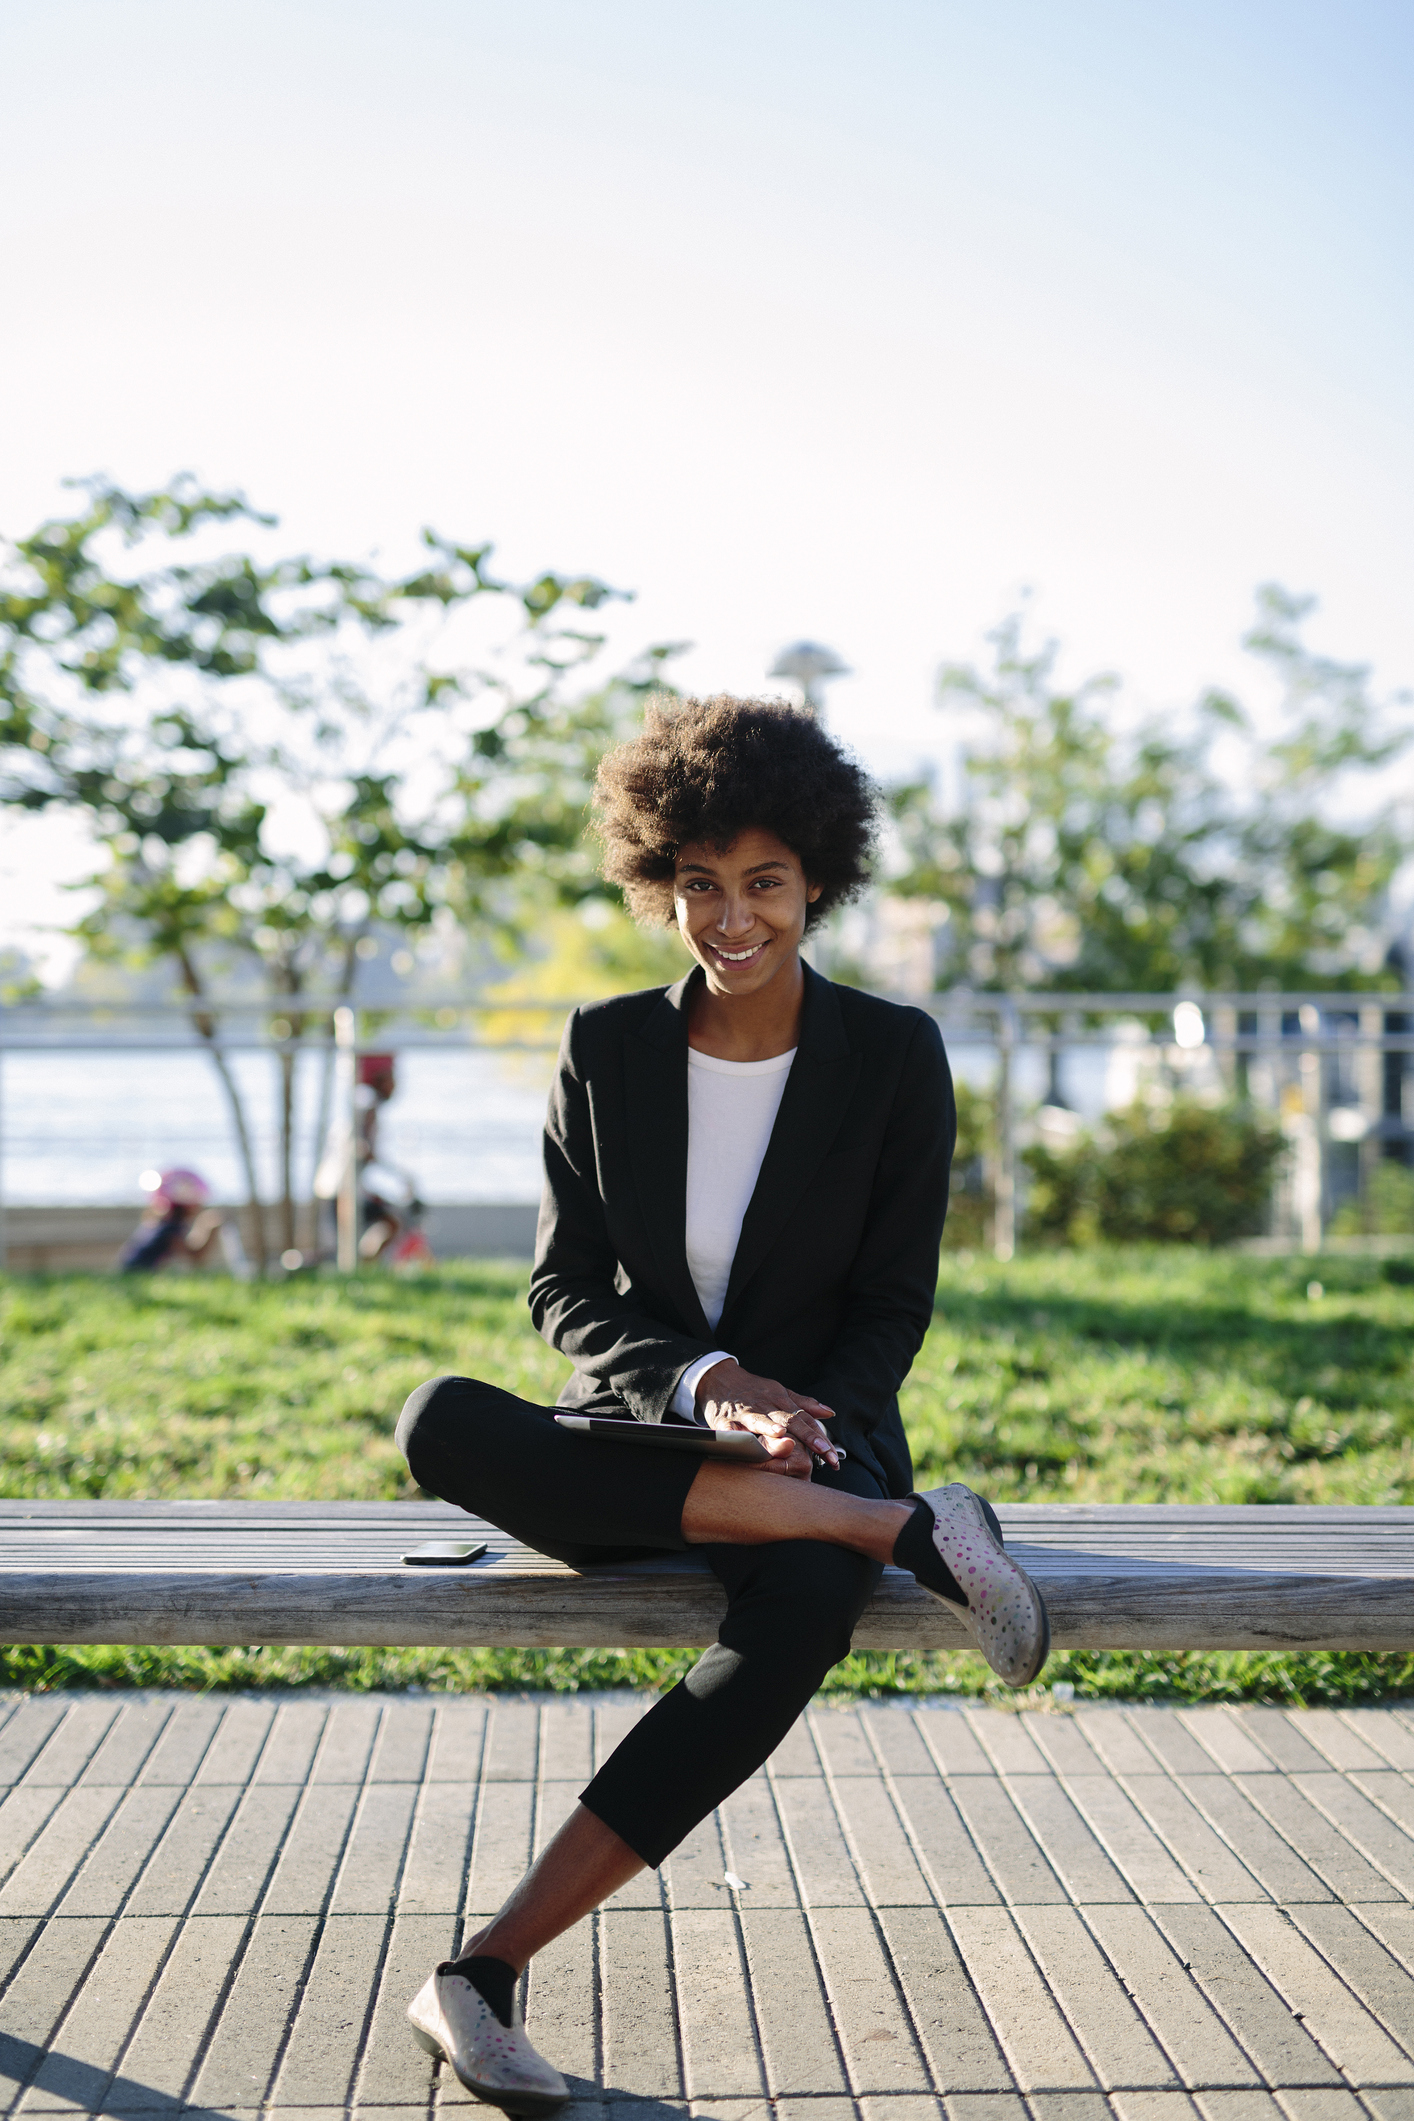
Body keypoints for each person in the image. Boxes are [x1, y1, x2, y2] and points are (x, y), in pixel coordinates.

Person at [396, 695, 1049, 2116]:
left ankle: (483, 1969)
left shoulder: (893, 1054)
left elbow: (891, 1301)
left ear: (817, 878)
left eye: (763, 882)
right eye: (699, 882)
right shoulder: (606, 1045)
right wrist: (705, 1383)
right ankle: (905, 1534)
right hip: (642, 1430)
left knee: (798, 1608)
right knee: (435, 1417)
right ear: (658, 879)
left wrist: (797, 1409)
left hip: (821, 1431)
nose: (731, 915)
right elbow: (566, 1292)